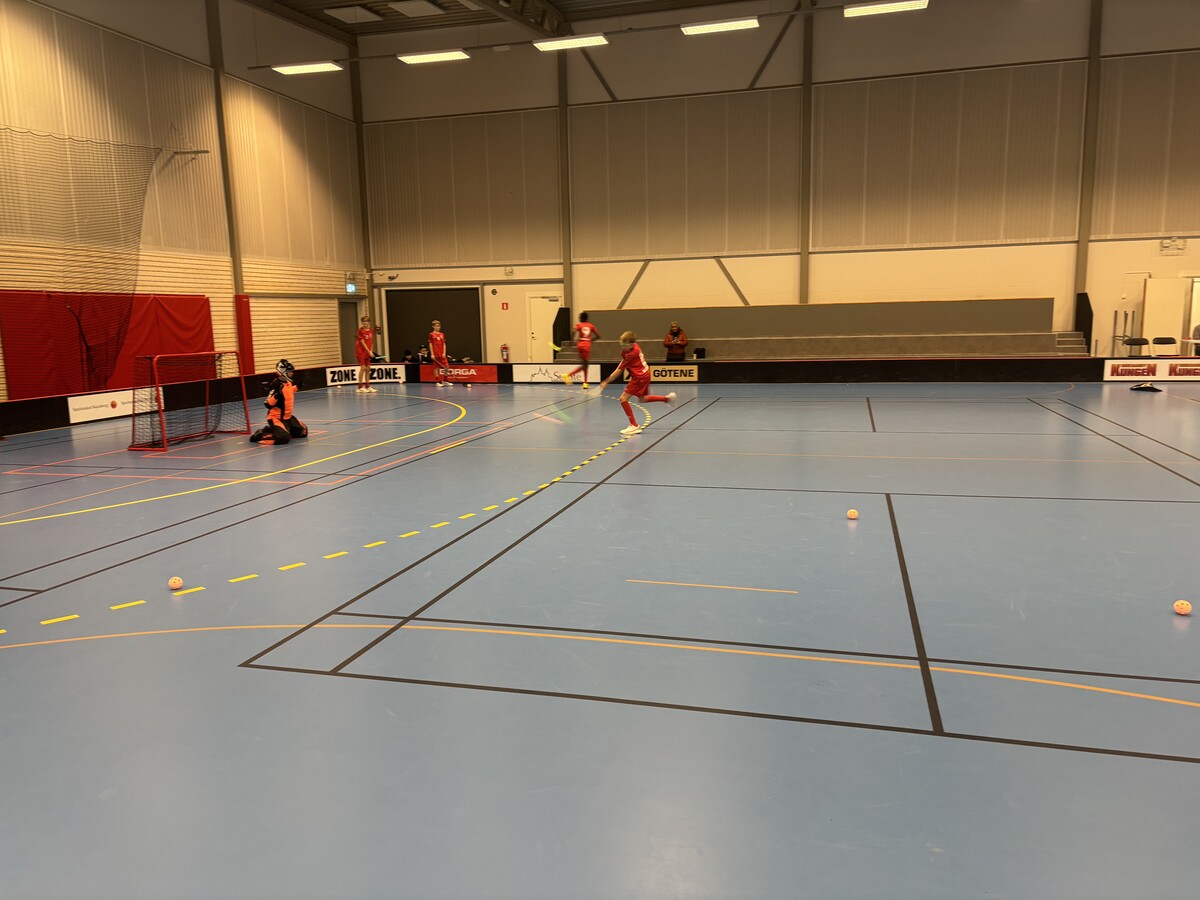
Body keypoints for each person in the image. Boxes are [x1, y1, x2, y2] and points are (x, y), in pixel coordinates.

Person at [597, 331, 676, 435]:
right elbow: (623, 362)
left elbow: (620, 370)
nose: (622, 347)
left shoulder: (631, 354)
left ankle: (634, 425)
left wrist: (606, 381)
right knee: (642, 399)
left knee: (623, 399)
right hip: (645, 374)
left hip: (639, 378)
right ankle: (667, 399)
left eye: (624, 345)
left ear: (630, 344)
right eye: (621, 344)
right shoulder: (633, 346)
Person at [250, 359, 308, 445]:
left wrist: (298, 387)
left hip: (287, 417)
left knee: (302, 432)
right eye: (290, 372)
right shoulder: (275, 384)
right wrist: (276, 396)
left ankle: (275, 429)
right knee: (283, 438)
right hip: (276, 417)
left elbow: (288, 391)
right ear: (283, 372)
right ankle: (261, 435)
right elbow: (267, 404)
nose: (292, 373)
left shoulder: (288, 382)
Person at [561, 312, 600, 390]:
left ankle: (585, 383)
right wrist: (590, 340)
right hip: (586, 346)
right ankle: (569, 375)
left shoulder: (579, 325)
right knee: (585, 365)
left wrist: (571, 341)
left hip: (580, 345)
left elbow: (573, 331)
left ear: (581, 318)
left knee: (585, 364)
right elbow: (598, 336)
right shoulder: (591, 326)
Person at [355, 315, 377, 393]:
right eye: (363, 322)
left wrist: (371, 351)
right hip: (360, 352)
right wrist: (369, 351)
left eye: (366, 321)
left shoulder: (371, 331)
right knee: (363, 368)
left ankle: (368, 386)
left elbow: (371, 342)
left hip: (367, 353)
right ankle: (359, 387)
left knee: (368, 368)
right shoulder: (360, 331)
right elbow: (362, 343)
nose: (364, 323)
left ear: (368, 322)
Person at [429, 320, 451, 386]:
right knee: (436, 368)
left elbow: (444, 344)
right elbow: (430, 344)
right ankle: (437, 381)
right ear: (433, 326)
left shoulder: (442, 334)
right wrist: (432, 354)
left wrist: (444, 353)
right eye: (437, 326)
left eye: (439, 326)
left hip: (442, 354)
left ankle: (445, 380)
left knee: (446, 366)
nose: (438, 327)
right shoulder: (431, 334)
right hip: (435, 354)